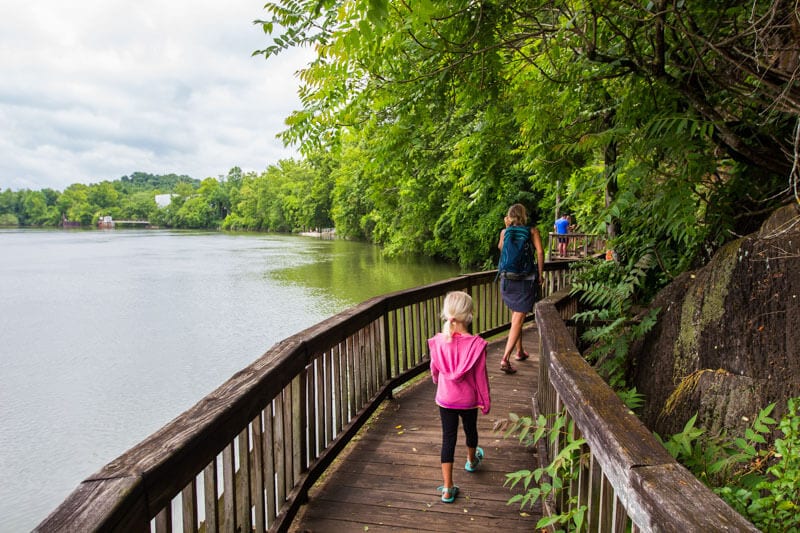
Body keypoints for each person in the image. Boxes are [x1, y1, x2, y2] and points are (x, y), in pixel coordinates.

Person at [428, 291, 491, 504]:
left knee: (448, 438)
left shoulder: (438, 342)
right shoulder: (476, 345)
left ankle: (447, 488)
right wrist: (485, 401)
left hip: (446, 399)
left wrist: (438, 380)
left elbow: (435, 369)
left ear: (447, 314)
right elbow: (481, 377)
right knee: (470, 429)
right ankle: (472, 461)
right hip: (468, 400)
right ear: (470, 314)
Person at [498, 203, 544, 374]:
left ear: (509, 216)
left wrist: (506, 229)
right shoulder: (532, 231)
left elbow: (501, 249)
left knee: (516, 315)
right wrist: (540, 274)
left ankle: (520, 351)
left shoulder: (505, 232)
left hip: (507, 280)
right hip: (525, 280)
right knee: (518, 317)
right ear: (524, 215)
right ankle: (505, 358)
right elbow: (539, 252)